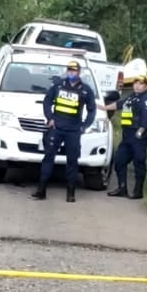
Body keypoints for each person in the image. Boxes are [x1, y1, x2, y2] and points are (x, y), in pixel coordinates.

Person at [32, 59, 97, 202]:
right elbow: (47, 101)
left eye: (74, 70)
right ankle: (41, 190)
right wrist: (50, 118)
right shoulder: (58, 85)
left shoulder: (86, 90)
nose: (71, 73)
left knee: (72, 161)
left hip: (73, 131)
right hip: (56, 128)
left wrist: (84, 126)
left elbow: (92, 110)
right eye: (69, 70)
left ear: (79, 72)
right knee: (48, 158)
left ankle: (71, 194)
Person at [104, 75, 147, 199]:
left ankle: (138, 191)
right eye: (135, 83)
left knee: (139, 163)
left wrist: (140, 131)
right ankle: (122, 188)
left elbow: (146, 118)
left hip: (138, 136)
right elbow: (119, 104)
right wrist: (102, 108)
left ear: (145, 86)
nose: (137, 86)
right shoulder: (132, 97)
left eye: (140, 84)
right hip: (127, 135)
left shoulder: (146, 99)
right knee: (119, 161)